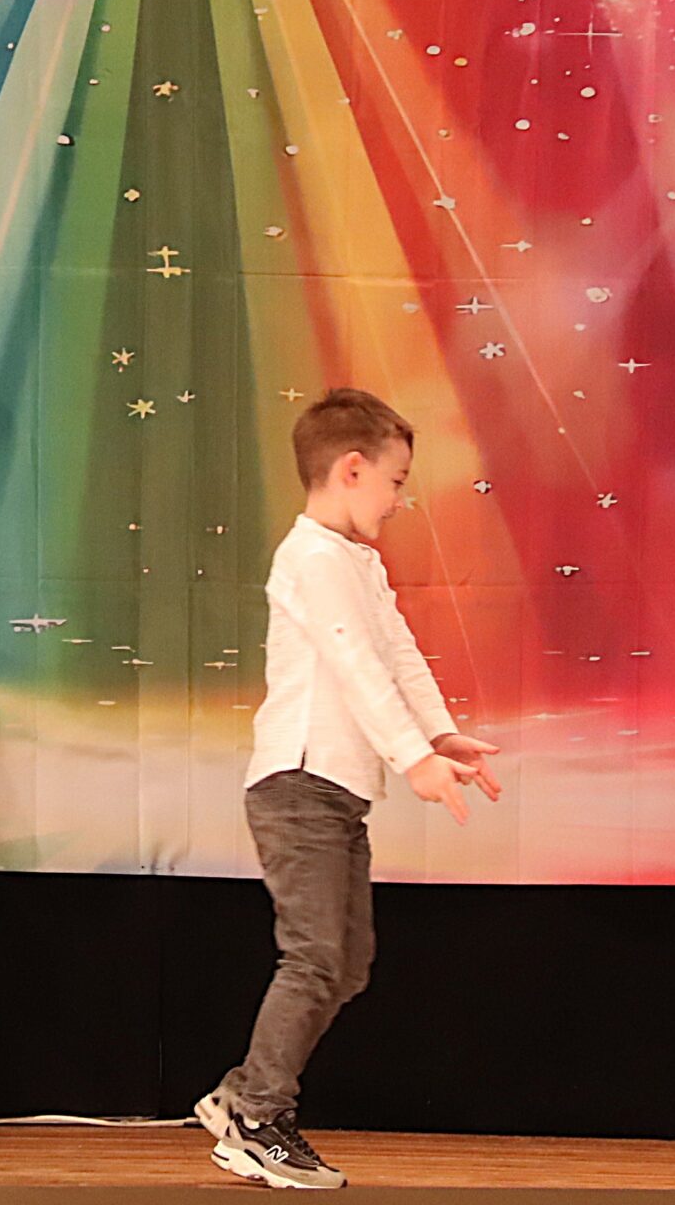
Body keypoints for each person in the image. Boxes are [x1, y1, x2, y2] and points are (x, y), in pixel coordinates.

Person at [194, 388, 503, 1188]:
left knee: (348, 962)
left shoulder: (355, 561)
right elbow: (353, 662)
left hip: (334, 793)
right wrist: (413, 759)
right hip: (299, 783)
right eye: (396, 482)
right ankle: (257, 1118)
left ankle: (240, 1094)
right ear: (352, 470)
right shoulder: (311, 559)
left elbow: (396, 653)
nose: (399, 500)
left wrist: (438, 734)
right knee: (315, 958)